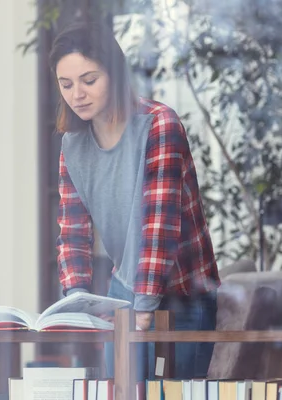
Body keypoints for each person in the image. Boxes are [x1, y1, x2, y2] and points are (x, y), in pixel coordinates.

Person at [51, 20, 221, 381]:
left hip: (184, 290)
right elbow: (72, 232)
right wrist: (79, 301)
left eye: (89, 80)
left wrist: (142, 311)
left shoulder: (159, 125)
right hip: (125, 285)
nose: (76, 94)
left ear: (114, 74)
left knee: (172, 391)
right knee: (123, 388)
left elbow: (158, 228)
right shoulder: (72, 144)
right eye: (66, 84)